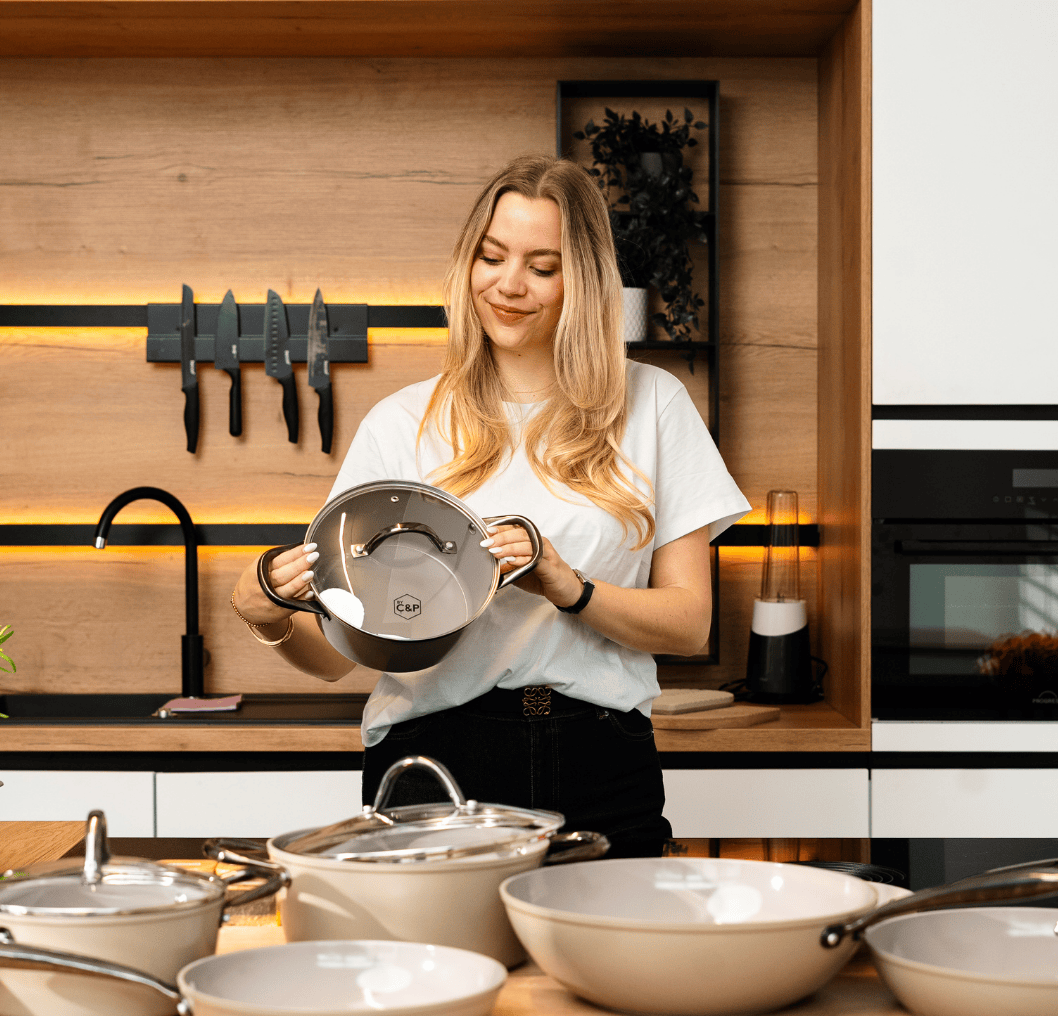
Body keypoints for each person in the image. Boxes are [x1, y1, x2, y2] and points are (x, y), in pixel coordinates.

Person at [231, 154, 749, 857]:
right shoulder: (401, 422)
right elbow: (337, 656)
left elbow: (689, 625)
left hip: (602, 758)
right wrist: (266, 618)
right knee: (447, 970)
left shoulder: (653, 404)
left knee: (601, 967)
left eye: (542, 266)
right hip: (434, 761)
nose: (509, 285)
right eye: (492, 256)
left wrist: (572, 589)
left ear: (584, 281)